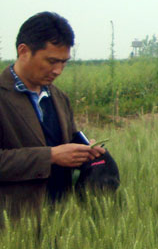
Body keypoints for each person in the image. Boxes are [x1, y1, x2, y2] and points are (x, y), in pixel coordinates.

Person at [1, 12, 106, 215]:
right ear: (24, 51)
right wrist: (50, 156)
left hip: (60, 216)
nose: (58, 70)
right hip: (14, 221)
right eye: (51, 61)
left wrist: (86, 149)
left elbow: (67, 138)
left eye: (64, 62)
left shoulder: (59, 97)